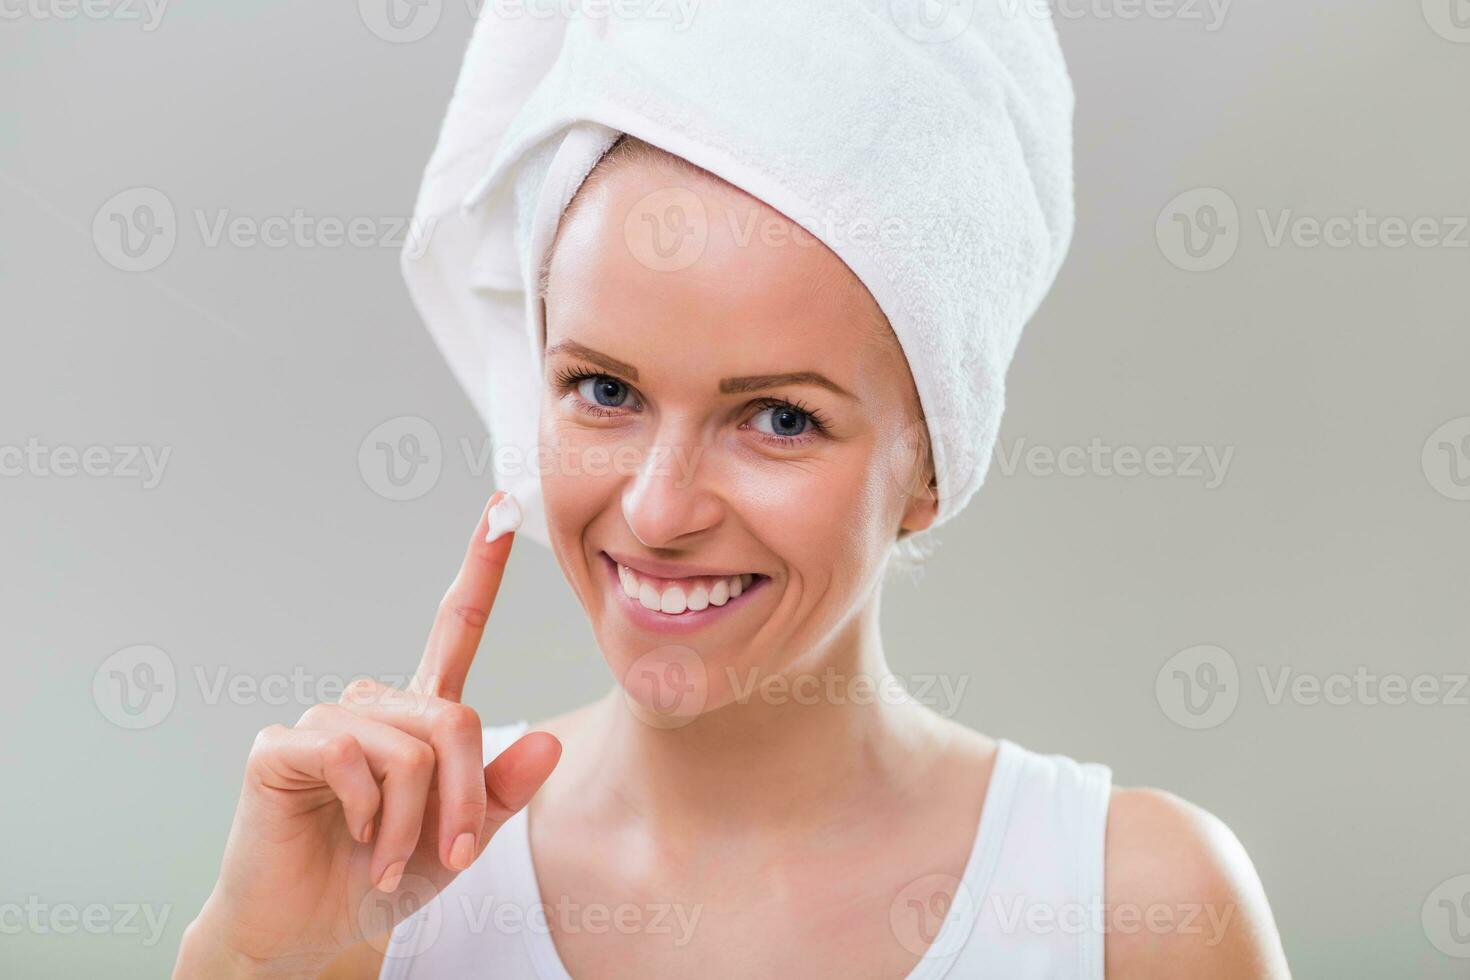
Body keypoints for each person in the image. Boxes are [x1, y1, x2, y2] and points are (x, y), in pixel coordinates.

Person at [172, 134, 1291, 978]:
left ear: (932, 466)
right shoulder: (388, 888)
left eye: (779, 417)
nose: (658, 511)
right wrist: (249, 957)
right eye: (602, 390)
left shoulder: (1134, 906)